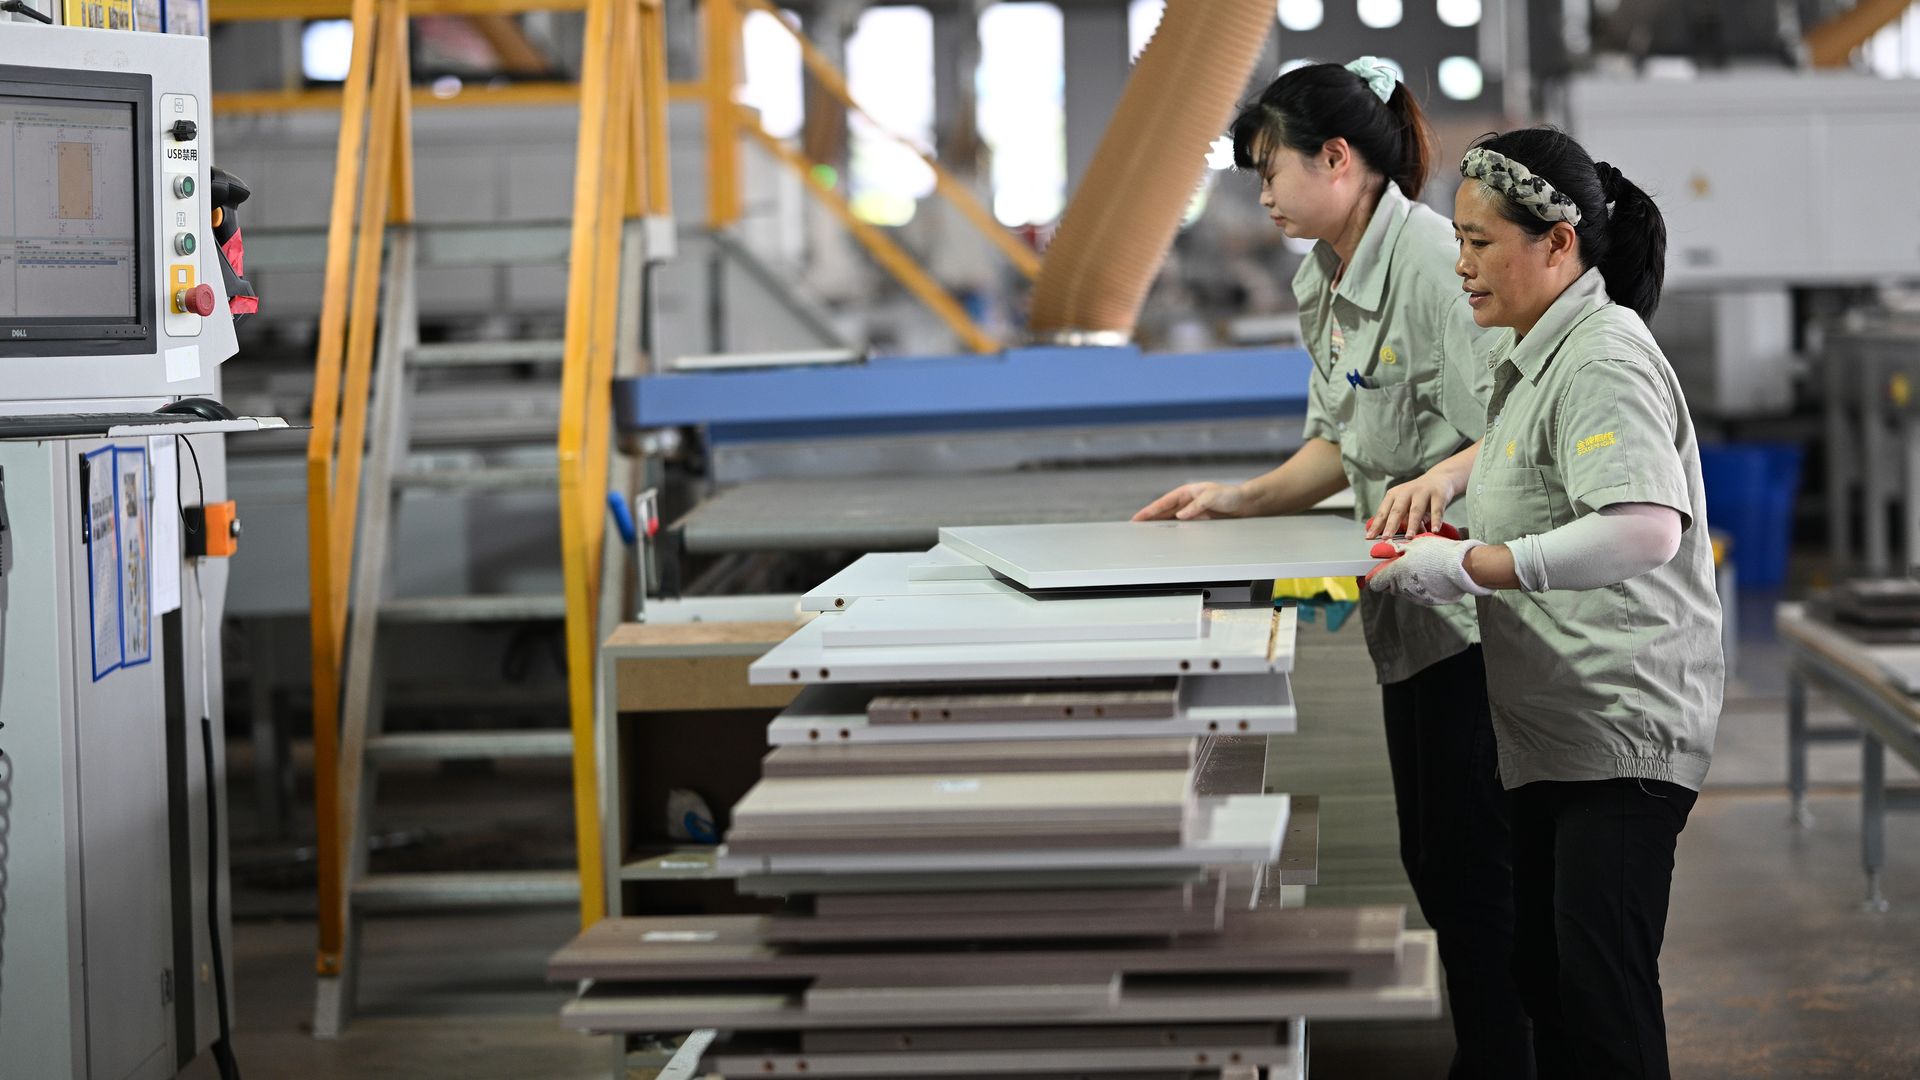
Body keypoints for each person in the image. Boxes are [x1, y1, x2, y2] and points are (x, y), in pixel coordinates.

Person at [1134, 59, 1531, 1077]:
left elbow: (1525, 429)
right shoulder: (1326, 277)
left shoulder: (1443, 265)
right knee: (1434, 862)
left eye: (1272, 171)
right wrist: (1238, 498)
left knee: (1482, 872)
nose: (1262, 193)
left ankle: (1506, 1061)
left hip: (1486, 625)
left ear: (1339, 160)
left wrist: (1439, 480)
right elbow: (1341, 443)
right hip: (1408, 620)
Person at [1366, 128, 1724, 1080]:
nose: (1462, 264)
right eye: (1459, 238)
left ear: (1558, 244)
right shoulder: (1537, 351)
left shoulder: (1604, 353)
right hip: (1553, 729)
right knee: (1546, 981)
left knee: (1597, 997)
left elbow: (1647, 526)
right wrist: (1447, 485)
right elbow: (1528, 454)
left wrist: (1475, 567)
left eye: (1481, 242)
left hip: (1620, 725)